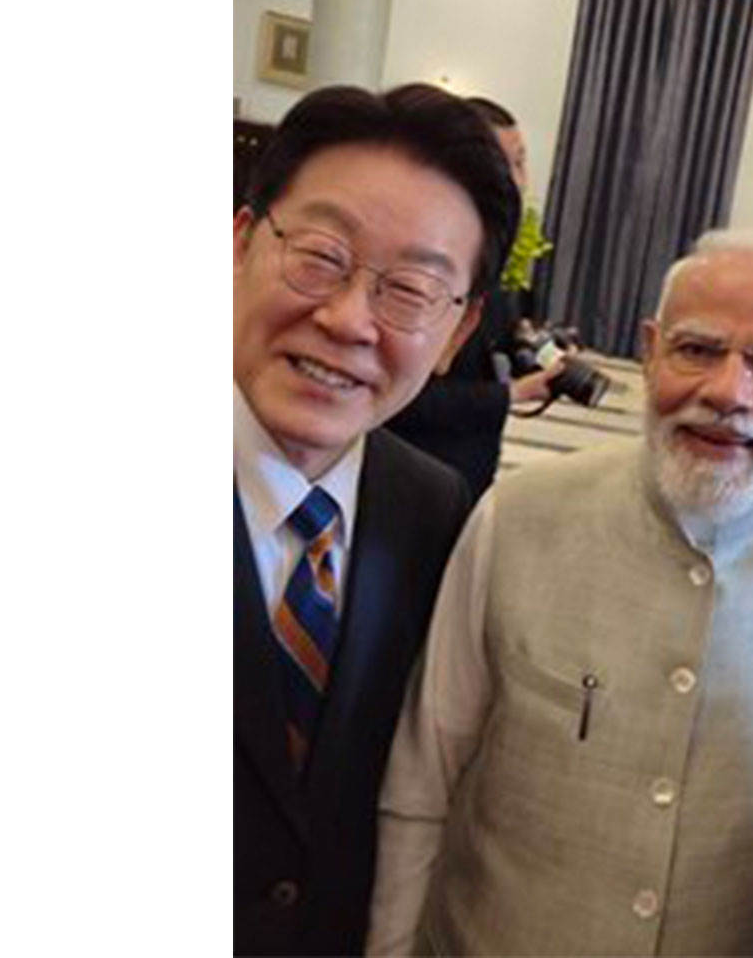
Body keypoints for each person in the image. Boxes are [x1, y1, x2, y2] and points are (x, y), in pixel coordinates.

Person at [367, 229, 753, 956]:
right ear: (650, 351)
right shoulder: (518, 518)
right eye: (697, 350)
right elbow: (420, 782)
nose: (728, 393)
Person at [234, 82, 517, 956]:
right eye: (320, 255)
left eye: (410, 291)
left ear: (458, 332)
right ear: (238, 241)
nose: (349, 320)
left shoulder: (433, 510)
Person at [386, 97, 562, 502]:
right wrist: (513, 395)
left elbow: (488, 354)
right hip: (409, 475)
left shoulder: (500, 259)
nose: (518, 180)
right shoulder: (424, 268)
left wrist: (535, 353)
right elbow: (404, 399)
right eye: (506, 164)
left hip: (470, 472)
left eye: (522, 163)